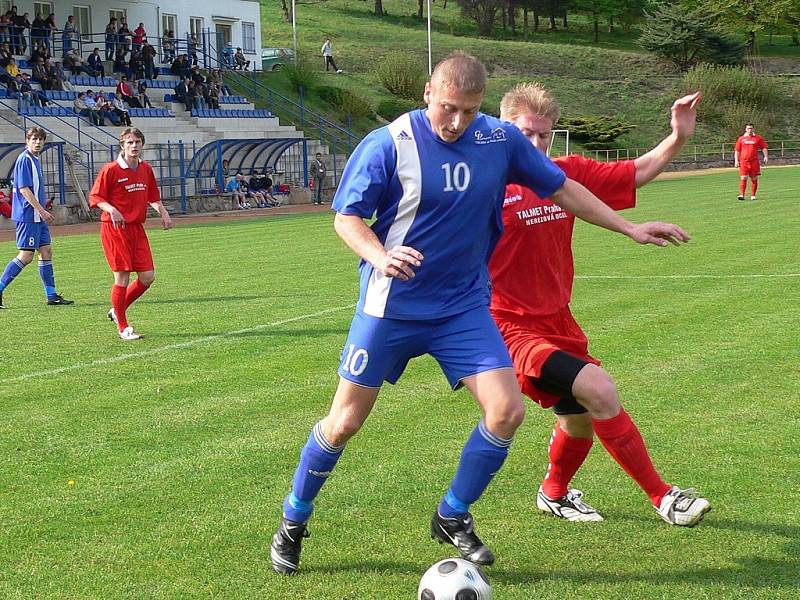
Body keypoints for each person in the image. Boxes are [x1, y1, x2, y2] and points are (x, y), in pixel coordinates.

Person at [269, 51, 690, 575]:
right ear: (428, 92)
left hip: (462, 308)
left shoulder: (500, 139)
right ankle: (294, 518)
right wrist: (380, 255)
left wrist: (629, 228)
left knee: (506, 411)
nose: (457, 122)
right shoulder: (387, 145)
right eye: (448, 108)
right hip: (391, 306)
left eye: (468, 111)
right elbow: (347, 218)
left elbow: (561, 187)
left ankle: (452, 515)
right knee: (344, 422)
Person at [489, 82, 711, 527]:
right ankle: (664, 497)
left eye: (543, 136)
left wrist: (679, 136)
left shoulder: (562, 175)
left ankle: (554, 493)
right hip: (506, 324)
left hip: (558, 322)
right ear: (503, 130)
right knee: (599, 390)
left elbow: (637, 172)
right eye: (525, 134)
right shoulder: (486, 184)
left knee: (579, 418)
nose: (535, 145)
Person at [88, 127, 172, 340]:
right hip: (115, 229)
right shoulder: (111, 169)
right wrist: (111, 209)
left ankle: (117, 310)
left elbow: (152, 196)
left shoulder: (146, 169)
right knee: (122, 277)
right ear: (122, 145)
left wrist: (163, 212)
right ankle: (123, 327)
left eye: (137, 142)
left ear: (142, 144)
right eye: (129, 142)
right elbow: (95, 197)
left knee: (147, 277)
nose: (134, 146)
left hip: (136, 228)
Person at [0, 127, 73, 309]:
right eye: (34, 139)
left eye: (40, 139)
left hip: (37, 216)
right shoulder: (24, 160)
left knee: (46, 251)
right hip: (29, 215)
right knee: (26, 256)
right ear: (27, 141)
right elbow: (24, 190)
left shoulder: (35, 159)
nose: (38, 142)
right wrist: (41, 210)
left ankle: (51, 295)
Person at [734, 123, 768, 201]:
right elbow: (737, 150)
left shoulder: (758, 138)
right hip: (744, 161)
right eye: (748, 128)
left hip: (754, 161)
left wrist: (765, 156)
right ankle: (741, 195)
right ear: (746, 129)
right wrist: (736, 160)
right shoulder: (741, 139)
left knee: (754, 178)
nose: (750, 130)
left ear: (753, 129)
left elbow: (764, 147)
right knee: (743, 178)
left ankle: (753, 195)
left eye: (751, 128)